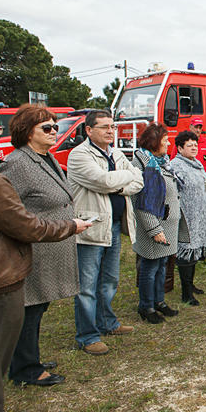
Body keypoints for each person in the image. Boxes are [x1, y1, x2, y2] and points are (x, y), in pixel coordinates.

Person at [0, 112, 89, 412]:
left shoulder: (44, 158)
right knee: (30, 308)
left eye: (55, 126)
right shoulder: (17, 163)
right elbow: (11, 211)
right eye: (46, 127)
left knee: (39, 307)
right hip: (35, 248)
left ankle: (29, 359)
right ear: (26, 132)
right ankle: (26, 369)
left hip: (54, 245)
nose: (54, 132)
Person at [66, 109, 143, 356]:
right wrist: (124, 178)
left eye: (113, 126)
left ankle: (107, 323)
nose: (111, 131)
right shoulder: (79, 155)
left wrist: (118, 184)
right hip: (90, 226)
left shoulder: (117, 153)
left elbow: (138, 180)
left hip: (113, 225)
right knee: (87, 285)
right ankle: (87, 336)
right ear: (89, 130)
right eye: (105, 127)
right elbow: (102, 181)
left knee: (109, 279)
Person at [131, 123, 187, 323]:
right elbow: (142, 202)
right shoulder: (144, 163)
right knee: (150, 266)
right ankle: (146, 307)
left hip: (168, 224)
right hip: (155, 225)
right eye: (165, 140)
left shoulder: (162, 161)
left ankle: (159, 301)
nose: (168, 143)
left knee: (162, 264)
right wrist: (153, 228)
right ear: (154, 142)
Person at [170, 131, 206, 306]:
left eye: (195, 145)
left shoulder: (197, 164)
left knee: (196, 252)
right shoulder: (175, 166)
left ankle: (191, 285)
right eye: (189, 145)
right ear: (179, 148)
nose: (194, 148)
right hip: (188, 218)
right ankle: (186, 292)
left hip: (202, 217)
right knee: (186, 252)